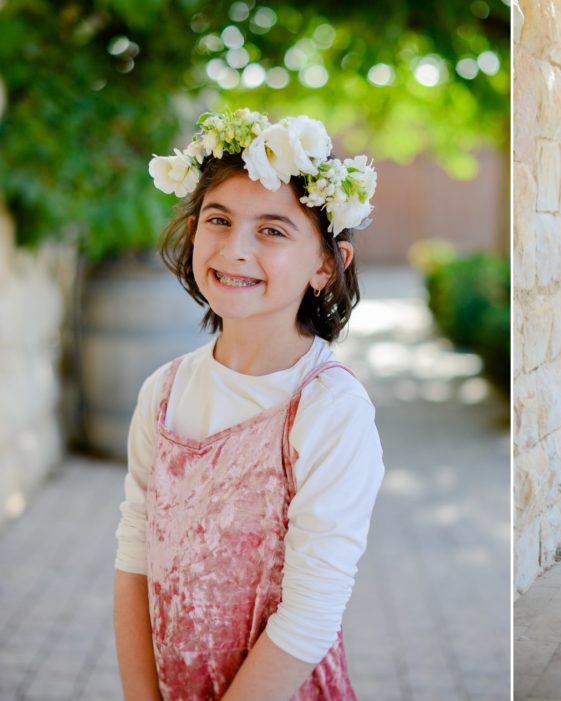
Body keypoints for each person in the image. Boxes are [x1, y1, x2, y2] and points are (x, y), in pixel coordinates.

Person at [113, 109, 385, 700]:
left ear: (324, 264)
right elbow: (136, 549)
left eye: (271, 230)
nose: (234, 249)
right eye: (218, 220)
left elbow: (311, 613)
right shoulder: (164, 391)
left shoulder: (328, 410)